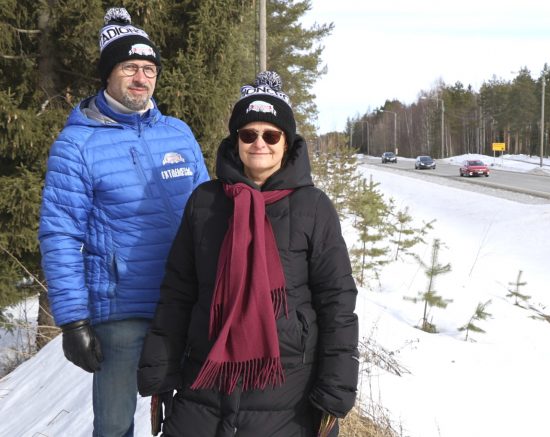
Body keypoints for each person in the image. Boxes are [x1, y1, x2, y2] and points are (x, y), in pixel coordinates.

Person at [137, 71, 359, 436]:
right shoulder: (205, 202)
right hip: (204, 385)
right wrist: (161, 370)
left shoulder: (313, 207)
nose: (260, 143)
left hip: (288, 393)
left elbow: (337, 300)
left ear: (286, 142)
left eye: (271, 135)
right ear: (236, 140)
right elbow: (178, 292)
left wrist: (336, 388)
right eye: (248, 134)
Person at [38, 7, 210, 437]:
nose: (141, 78)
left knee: (196, 416)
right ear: (108, 73)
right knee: (115, 426)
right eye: (130, 66)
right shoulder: (76, 146)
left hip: (185, 303)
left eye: (149, 68)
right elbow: (60, 235)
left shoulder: (178, 134)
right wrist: (74, 320)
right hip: (120, 314)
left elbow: (208, 215)